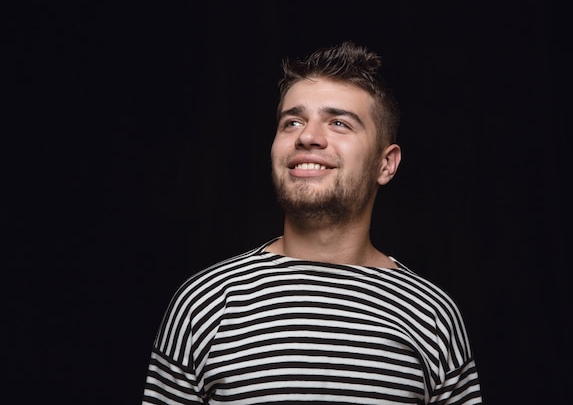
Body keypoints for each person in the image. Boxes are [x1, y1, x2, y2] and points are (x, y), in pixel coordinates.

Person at [142, 41, 483, 404]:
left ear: (386, 164)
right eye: (293, 122)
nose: (307, 137)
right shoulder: (204, 304)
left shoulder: (431, 314)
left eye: (338, 123)